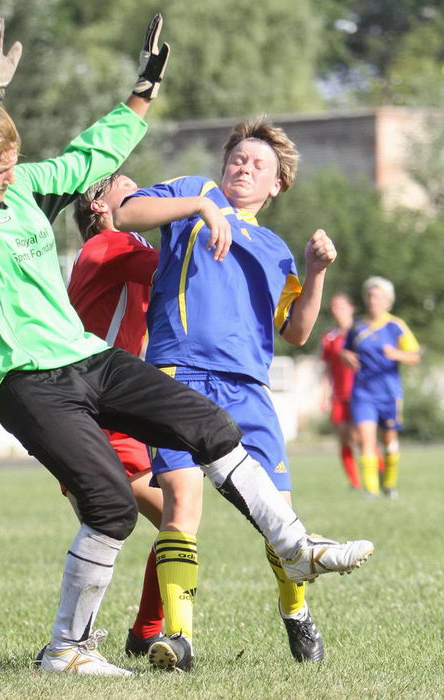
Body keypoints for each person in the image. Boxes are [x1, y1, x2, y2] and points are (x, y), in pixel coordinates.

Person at [0, 16, 373, 678]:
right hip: (27, 379)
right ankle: (68, 650)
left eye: (13, 163)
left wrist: (144, 88)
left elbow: (93, 153)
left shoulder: (25, 188)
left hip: (84, 359)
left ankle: (295, 546)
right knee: (113, 508)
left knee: (209, 426)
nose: (9, 175)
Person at [114, 120, 373, 670]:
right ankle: (178, 638)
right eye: (238, 158)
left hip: (247, 389)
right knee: (181, 502)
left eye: (259, 164)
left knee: (278, 514)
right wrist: (198, 207)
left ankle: (295, 612)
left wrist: (316, 272)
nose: (244, 168)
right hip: (177, 374)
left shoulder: (276, 250)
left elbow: (296, 332)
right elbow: (125, 213)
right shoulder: (194, 194)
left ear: (277, 184)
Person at [0, 172, 166, 656]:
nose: (145, 193)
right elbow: (178, 268)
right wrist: (205, 214)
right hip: (97, 416)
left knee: (128, 525)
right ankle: (111, 638)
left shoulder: (110, 249)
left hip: (93, 411)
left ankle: (95, 639)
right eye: (129, 188)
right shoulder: (112, 246)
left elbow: (52, 347)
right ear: (100, 206)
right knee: (170, 520)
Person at [341, 277, 420, 499]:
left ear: (388, 301)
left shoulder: (396, 326)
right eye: (370, 296)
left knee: (389, 441)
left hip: (389, 393)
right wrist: (345, 355)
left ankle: (390, 485)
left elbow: (415, 356)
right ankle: (371, 491)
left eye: (378, 297)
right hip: (363, 392)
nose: (373, 300)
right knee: (366, 440)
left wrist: (397, 354)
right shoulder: (357, 326)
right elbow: (345, 350)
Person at [320, 293, 361, 489]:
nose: (337, 311)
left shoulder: (362, 332)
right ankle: (355, 482)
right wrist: (323, 395)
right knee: (345, 438)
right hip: (339, 395)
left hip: (361, 393)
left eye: (341, 306)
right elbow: (326, 369)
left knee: (363, 437)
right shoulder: (330, 337)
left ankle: (377, 472)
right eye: (333, 307)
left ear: (351, 308)